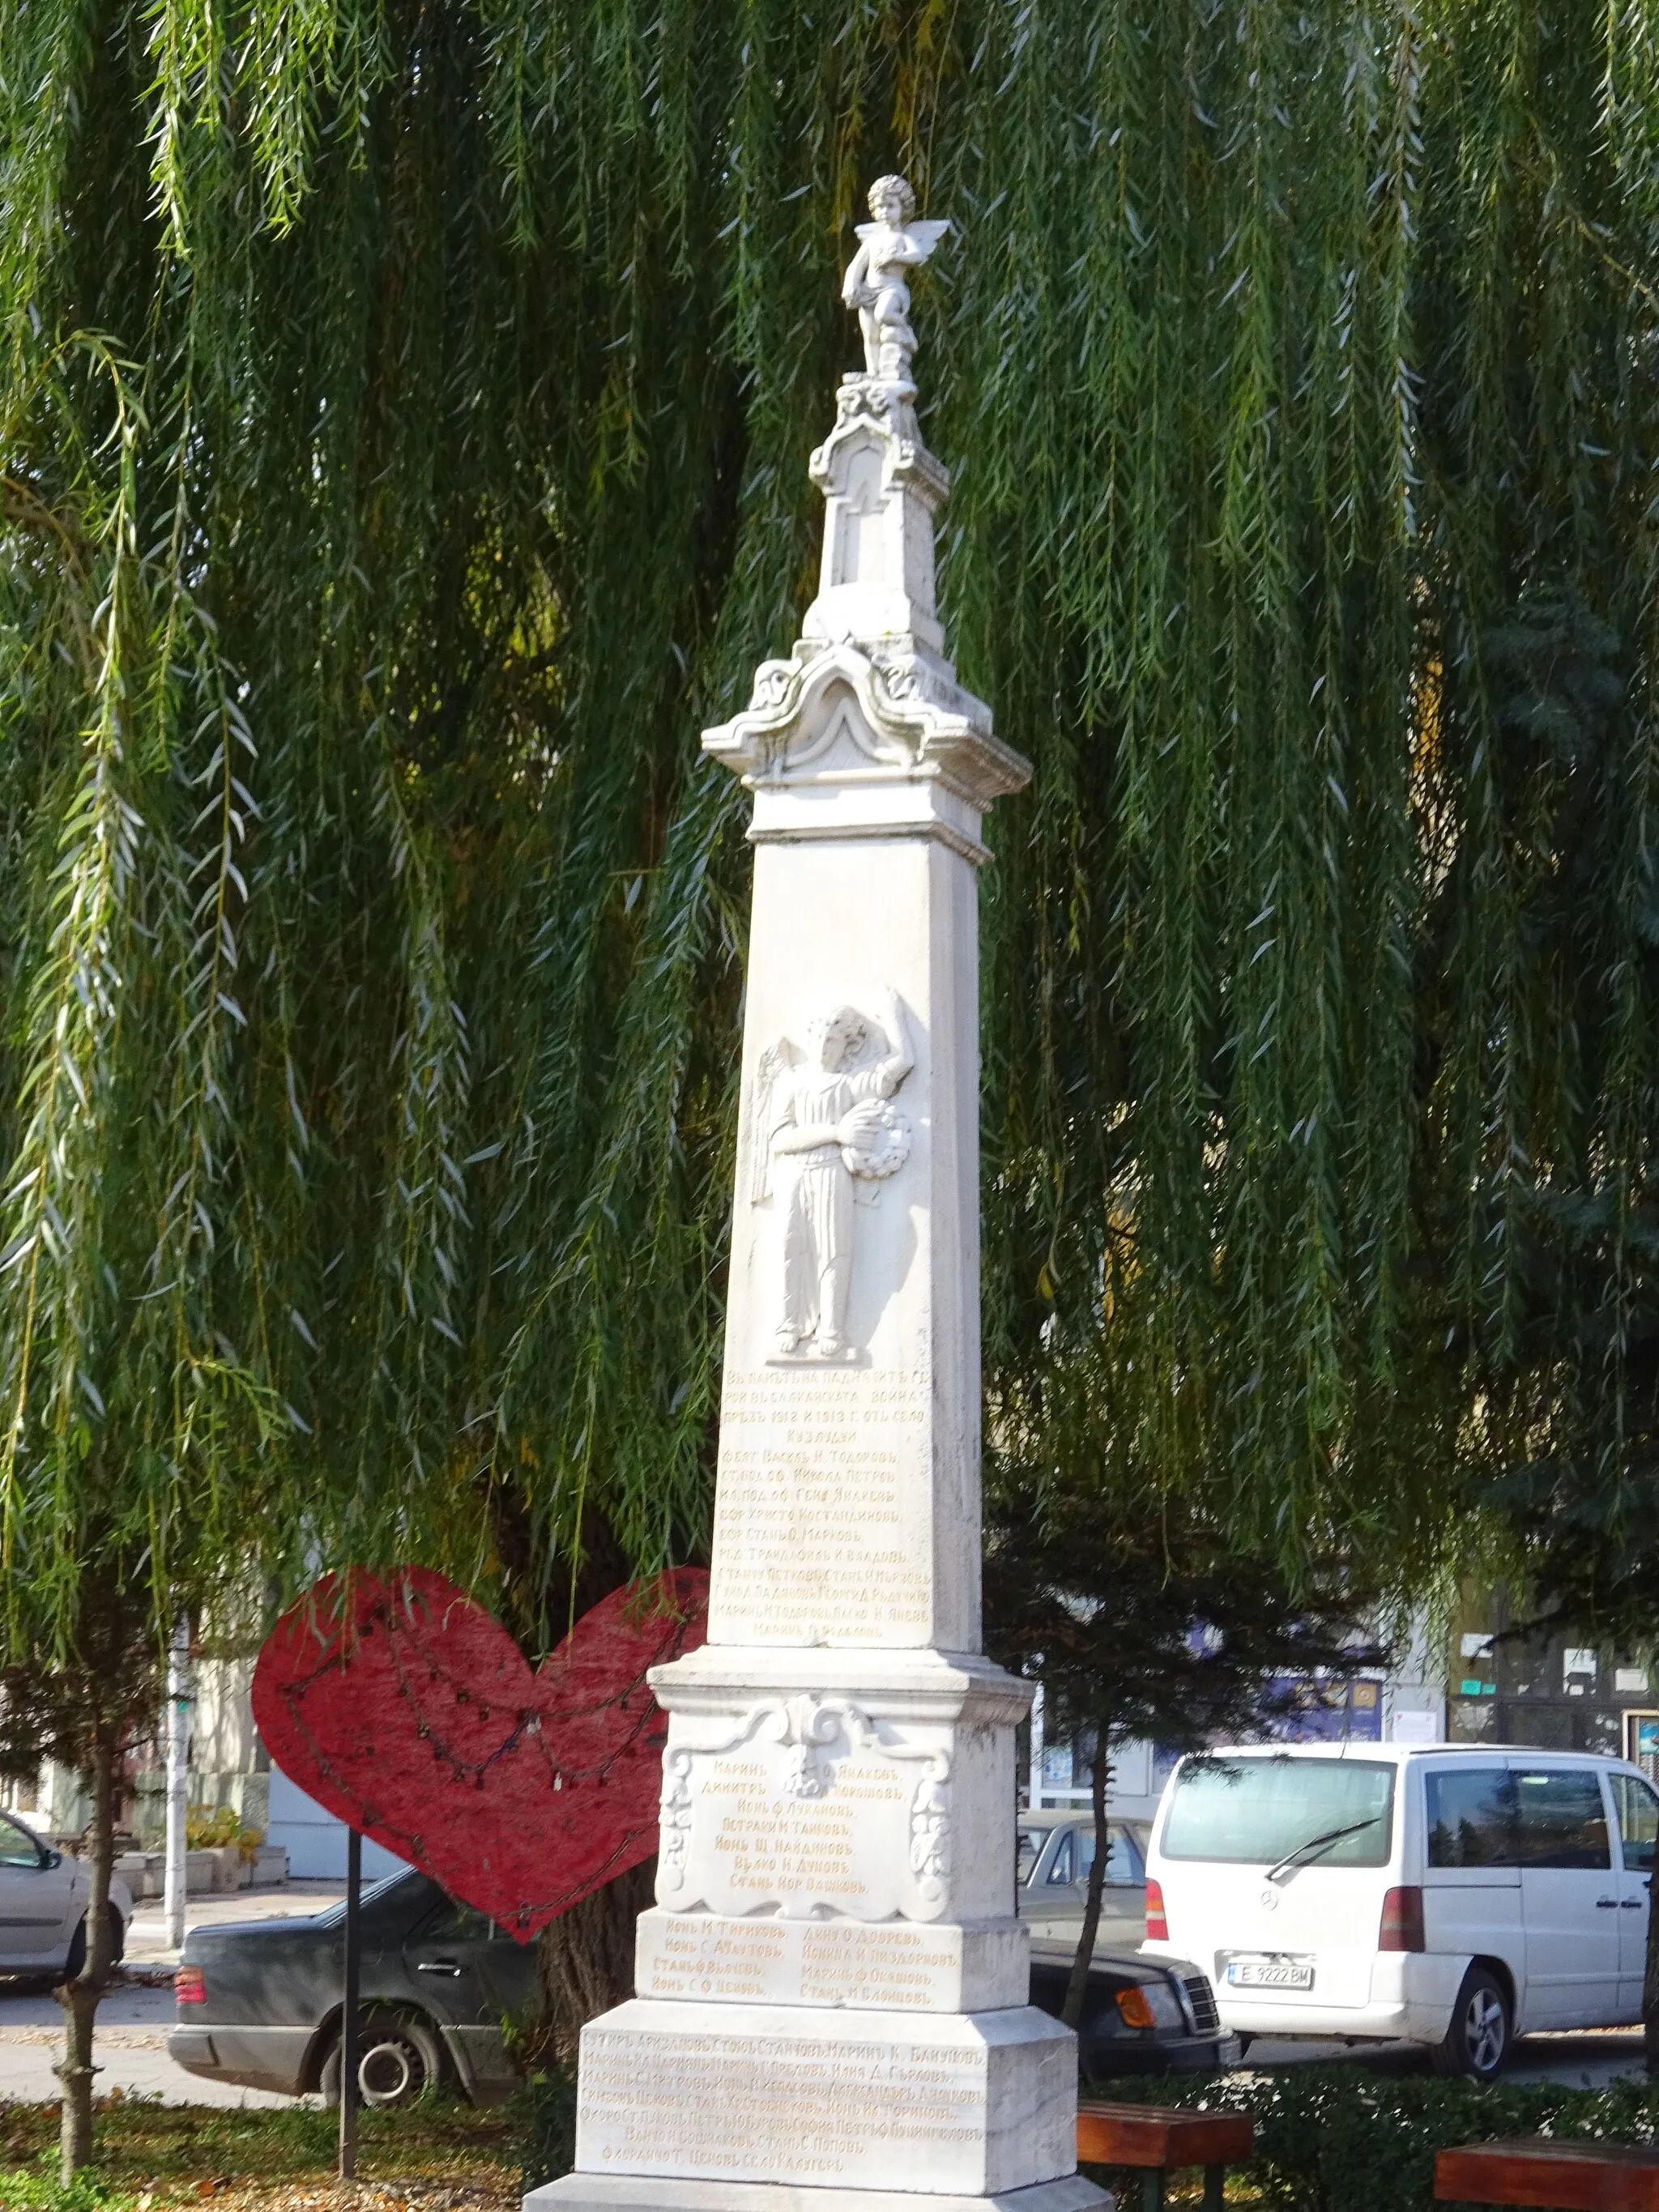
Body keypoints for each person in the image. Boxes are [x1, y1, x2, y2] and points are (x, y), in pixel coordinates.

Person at [770, 994, 913, 1357]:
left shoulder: (849, 1084)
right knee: (792, 1246)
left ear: (847, 1043)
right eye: (818, 1037)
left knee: (834, 1250)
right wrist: (836, 1133)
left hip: (832, 1174)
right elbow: (781, 1139)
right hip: (796, 1174)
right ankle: (790, 1323)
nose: (822, 1046)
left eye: (831, 1039)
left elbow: (903, 1062)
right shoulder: (792, 1082)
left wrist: (894, 1017)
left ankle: (831, 1330)